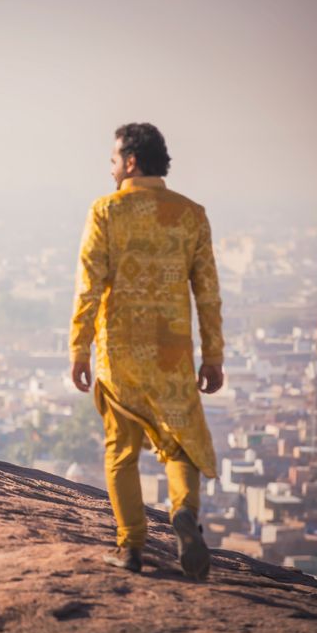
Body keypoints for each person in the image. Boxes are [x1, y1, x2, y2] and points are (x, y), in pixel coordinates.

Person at [68, 123, 225, 579]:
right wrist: (212, 355)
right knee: (180, 445)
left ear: (131, 161)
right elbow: (208, 293)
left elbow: (88, 288)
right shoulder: (190, 214)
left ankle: (130, 544)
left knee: (122, 450)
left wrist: (79, 348)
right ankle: (183, 514)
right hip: (173, 351)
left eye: (115, 159)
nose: (111, 167)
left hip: (120, 352)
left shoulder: (106, 211)